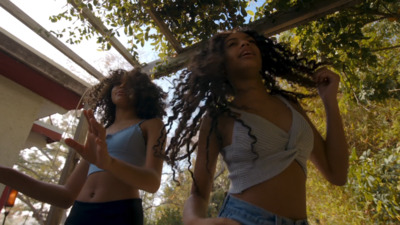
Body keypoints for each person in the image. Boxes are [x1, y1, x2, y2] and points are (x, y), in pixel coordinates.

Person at [163, 29, 349, 225]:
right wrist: (193, 221)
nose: (245, 44)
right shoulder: (219, 118)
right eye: (233, 44)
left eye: (250, 41)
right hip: (243, 219)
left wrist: (329, 101)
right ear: (221, 64)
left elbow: (337, 174)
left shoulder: (290, 104)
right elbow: (199, 194)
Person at [0, 69, 167, 225]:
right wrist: (5, 173)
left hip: (120, 213)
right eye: (118, 83)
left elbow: (152, 182)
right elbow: (66, 196)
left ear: (143, 92)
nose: (122, 86)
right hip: (80, 213)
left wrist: (108, 163)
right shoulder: (98, 133)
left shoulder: (152, 125)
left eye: (130, 84)